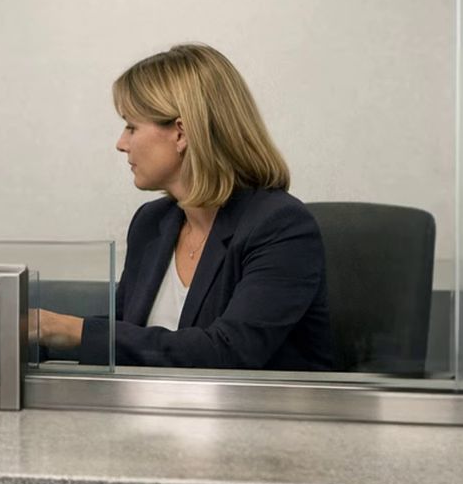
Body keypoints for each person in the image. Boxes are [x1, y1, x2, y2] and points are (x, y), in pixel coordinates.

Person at [34, 44, 332, 370]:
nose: (121, 143)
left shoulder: (281, 226)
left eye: (131, 127)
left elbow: (229, 352)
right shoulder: (151, 222)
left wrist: (67, 330)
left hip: (254, 405)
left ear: (180, 134)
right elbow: (125, 333)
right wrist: (34, 337)